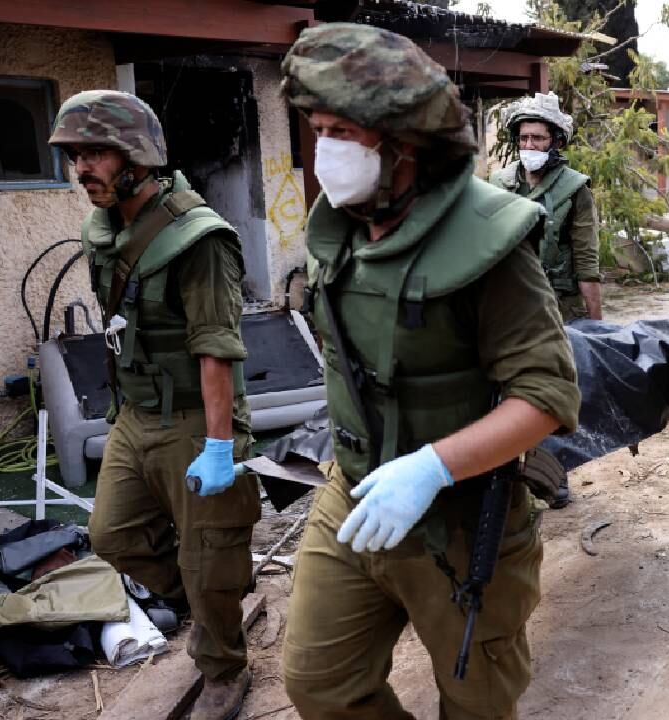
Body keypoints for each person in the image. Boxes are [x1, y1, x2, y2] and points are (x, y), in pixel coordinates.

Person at [277, 24, 581, 720]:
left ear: (405, 141)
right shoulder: (343, 229)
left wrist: (433, 467)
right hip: (351, 494)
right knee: (319, 684)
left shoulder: (487, 241)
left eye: (343, 131)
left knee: (476, 701)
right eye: (317, 127)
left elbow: (548, 394)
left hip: (463, 518)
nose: (325, 148)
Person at [49, 91, 257, 720]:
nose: (82, 168)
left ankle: (224, 668)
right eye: (75, 155)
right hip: (135, 416)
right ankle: (211, 594)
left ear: (137, 157)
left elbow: (216, 351)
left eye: (95, 153)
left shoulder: (199, 239)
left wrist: (221, 447)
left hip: (197, 419)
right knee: (110, 533)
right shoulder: (104, 230)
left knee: (207, 552)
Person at [491, 92, 603, 321]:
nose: (529, 146)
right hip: (509, 303)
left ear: (556, 141)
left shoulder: (575, 188)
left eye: (538, 138)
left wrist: (598, 328)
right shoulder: (500, 183)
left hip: (559, 305)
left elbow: (586, 262)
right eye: (523, 138)